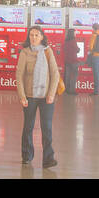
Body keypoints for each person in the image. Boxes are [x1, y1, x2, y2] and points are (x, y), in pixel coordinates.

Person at [15, 25, 59, 168]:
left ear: (42, 37)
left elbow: (55, 74)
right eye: (31, 35)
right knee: (28, 126)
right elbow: (19, 76)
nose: (33, 38)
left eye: (36, 35)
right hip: (29, 96)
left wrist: (51, 94)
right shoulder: (25, 53)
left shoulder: (48, 52)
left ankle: (48, 158)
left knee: (47, 127)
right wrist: (22, 96)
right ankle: (27, 155)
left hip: (46, 96)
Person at [63, 28, 83, 93]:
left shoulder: (66, 41)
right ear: (72, 34)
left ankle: (67, 90)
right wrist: (79, 49)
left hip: (67, 61)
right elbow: (77, 50)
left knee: (67, 76)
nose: (75, 34)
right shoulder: (73, 41)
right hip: (74, 61)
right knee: (74, 76)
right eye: (75, 33)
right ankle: (72, 91)